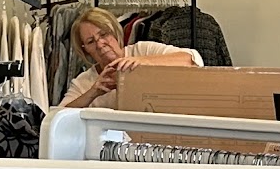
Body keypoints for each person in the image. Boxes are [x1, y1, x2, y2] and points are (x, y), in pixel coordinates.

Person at [60, 7, 202, 108]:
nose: (100, 44)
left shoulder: (142, 50)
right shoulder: (84, 81)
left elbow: (193, 59)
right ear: (85, 50)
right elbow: (56, 118)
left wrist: (142, 61)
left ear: (115, 32)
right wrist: (94, 93)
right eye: (91, 41)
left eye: (104, 34)